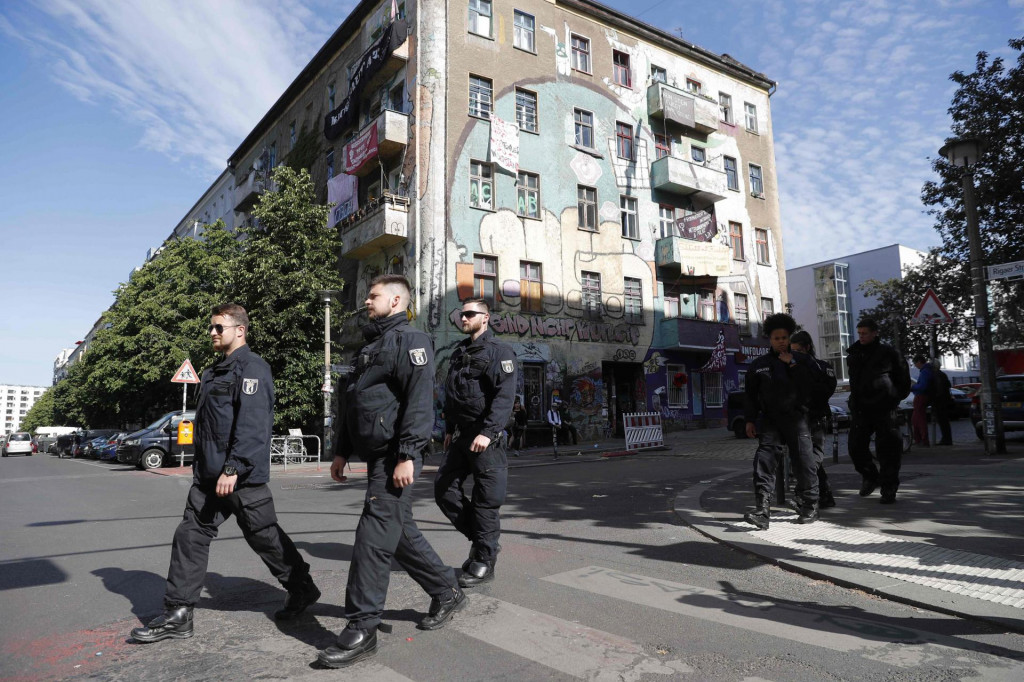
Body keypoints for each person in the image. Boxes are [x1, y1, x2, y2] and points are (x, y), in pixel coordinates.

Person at [130, 303, 316, 644]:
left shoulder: (253, 369)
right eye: (212, 327)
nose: (213, 333)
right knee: (190, 535)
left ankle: (302, 588)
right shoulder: (214, 371)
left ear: (240, 330)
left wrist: (234, 467)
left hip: (240, 477)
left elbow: (253, 424)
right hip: (208, 476)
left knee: (265, 537)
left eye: (219, 327)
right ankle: (179, 613)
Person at [318, 275, 464, 669]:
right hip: (374, 456)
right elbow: (352, 401)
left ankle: (362, 626)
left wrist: (409, 455)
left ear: (397, 300)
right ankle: (446, 589)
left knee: (372, 535)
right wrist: (341, 451)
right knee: (398, 533)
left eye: (373, 295)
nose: (366, 300)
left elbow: (419, 402)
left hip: (393, 457)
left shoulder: (411, 342)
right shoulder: (371, 345)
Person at [436, 297, 517, 588]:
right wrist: (448, 428)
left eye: (469, 313)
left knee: (486, 501)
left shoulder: (499, 352)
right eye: (461, 313)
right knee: (443, 490)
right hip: (461, 434)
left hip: (486, 436)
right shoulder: (460, 352)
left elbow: (505, 396)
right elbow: (453, 393)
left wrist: (490, 431)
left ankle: (484, 559)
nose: (463, 318)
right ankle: (486, 542)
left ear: (485, 318)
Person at [742, 313, 823, 529]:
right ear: (769, 339)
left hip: (797, 419)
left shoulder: (803, 360)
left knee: (804, 462)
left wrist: (793, 365)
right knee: (764, 461)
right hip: (770, 421)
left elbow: (813, 388)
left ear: (789, 338)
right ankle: (762, 510)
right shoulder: (759, 364)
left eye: (784, 338)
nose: (781, 342)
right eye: (776, 338)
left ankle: (810, 506)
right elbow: (750, 394)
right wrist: (750, 420)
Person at [846, 318, 911, 504]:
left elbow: (903, 380)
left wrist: (893, 397)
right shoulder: (855, 354)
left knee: (888, 450)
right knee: (855, 447)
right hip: (861, 409)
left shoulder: (889, 353)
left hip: (884, 408)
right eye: (859, 333)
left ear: (875, 333)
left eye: (865, 333)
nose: (861, 336)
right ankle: (870, 475)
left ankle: (889, 487)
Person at [789, 331, 838, 509]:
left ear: (807, 348)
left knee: (811, 459)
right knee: (808, 459)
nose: (795, 354)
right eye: (792, 351)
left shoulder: (822, 367)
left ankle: (805, 492)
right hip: (799, 419)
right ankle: (825, 495)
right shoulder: (792, 368)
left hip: (817, 418)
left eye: (798, 350)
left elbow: (824, 392)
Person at [910, 355, 934, 447]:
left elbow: (923, 386)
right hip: (922, 396)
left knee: (919, 419)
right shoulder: (927, 370)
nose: (915, 366)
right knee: (917, 419)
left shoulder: (925, 372)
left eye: (915, 363)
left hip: (921, 396)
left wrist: (913, 387)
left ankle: (922, 439)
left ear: (919, 362)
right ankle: (919, 439)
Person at [930, 363, 953, 446]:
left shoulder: (937, 375)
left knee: (943, 420)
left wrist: (935, 398)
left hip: (940, 401)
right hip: (944, 400)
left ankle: (946, 439)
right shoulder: (942, 374)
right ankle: (947, 439)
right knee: (944, 421)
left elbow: (939, 389)